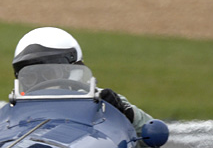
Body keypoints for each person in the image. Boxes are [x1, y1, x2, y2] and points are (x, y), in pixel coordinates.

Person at [12, 27, 152, 135]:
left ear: (70, 70)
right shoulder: (16, 109)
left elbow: (151, 129)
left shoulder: (99, 99)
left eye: (49, 73)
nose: (40, 81)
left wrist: (123, 112)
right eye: (31, 76)